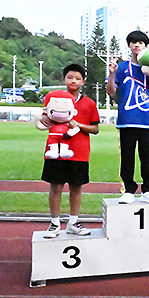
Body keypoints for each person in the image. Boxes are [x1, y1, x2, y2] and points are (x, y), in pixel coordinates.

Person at [41, 64, 100, 238]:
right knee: (55, 186)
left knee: (76, 187)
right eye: (70, 77)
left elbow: (95, 129)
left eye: (77, 78)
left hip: (79, 152)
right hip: (56, 151)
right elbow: (44, 117)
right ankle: (54, 223)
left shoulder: (89, 103)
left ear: (83, 82)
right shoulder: (53, 99)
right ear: (64, 79)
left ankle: (73, 222)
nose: (73, 81)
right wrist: (44, 119)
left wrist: (79, 125)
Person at [106, 30, 149, 204]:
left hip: (148, 121)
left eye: (141, 42)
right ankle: (128, 190)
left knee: (148, 157)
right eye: (133, 42)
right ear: (129, 45)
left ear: (146, 46)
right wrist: (112, 73)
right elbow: (111, 92)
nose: (137, 45)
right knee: (127, 157)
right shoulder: (122, 67)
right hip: (127, 120)